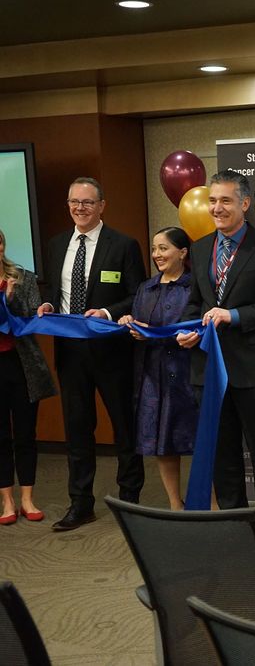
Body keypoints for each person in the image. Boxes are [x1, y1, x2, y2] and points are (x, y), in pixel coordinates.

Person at [176, 170, 255, 559]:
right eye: (212, 201)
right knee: (222, 454)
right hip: (209, 369)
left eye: (225, 201)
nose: (216, 208)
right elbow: (195, 304)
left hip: (253, 368)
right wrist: (191, 330)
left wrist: (236, 316)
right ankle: (234, 528)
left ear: (245, 203)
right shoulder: (199, 249)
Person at [37, 177, 146, 531]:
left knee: (124, 429)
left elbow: (137, 295)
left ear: (102, 205)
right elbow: (52, 290)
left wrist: (107, 313)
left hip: (112, 351)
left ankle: (130, 501)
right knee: (77, 430)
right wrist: (49, 304)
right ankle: (80, 503)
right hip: (70, 351)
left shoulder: (123, 245)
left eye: (86, 202)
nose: (79, 208)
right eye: (73, 202)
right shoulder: (56, 245)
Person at [118, 227, 198, 510]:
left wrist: (154, 332)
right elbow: (140, 322)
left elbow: (198, 328)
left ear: (182, 252)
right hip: (152, 374)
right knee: (162, 442)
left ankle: (211, 502)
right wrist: (130, 320)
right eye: (154, 249)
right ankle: (175, 503)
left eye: (163, 248)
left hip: (187, 373)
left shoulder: (195, 287)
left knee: (199, 439)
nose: (156, 255)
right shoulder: (145, 288)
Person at [0, 229, 58, 524]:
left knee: (25, 434)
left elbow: (32, 319)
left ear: (2, 245)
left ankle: (27, 498)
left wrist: (12, 299)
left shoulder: (22, 277)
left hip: (21, 365)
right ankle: (7, 502)